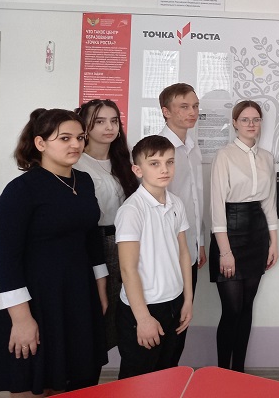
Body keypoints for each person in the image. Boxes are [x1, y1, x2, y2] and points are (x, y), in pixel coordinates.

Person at [0, 109, 108, 395]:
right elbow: (5, 257)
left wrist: (100, 289)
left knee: (79, 378)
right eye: (65, 138)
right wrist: (21, 319)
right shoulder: (21, 189)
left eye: (80, 137)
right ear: (40, 143)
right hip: (37, 299)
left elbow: (91, 238)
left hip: (79, 293)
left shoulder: (84, 181)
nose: (76, 144)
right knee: (38, 380)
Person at [114, 135, 193, 379]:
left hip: (174, 302)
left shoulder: (176, 203)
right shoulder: (132, 210)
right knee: (138, 380)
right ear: (138, 170)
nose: (164, 169)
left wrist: (188, 299)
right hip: (144, 308)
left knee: (167, 374)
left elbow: (183, 253)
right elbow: (128, 269)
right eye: (154, 163)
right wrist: (143, 318)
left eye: (169, 162)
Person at [210, 100, 279, 371]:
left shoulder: (267, 158)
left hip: (257, 233)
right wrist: (225, 252)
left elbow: (269, 204)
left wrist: (274, 243)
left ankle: (238, 371)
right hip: (229, 231)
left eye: (256, 119)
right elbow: (217, 208)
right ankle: (222, 372)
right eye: (245, 119)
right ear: (235, 123)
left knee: (247, 307)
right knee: (232, 310)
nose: (251, 124)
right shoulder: (224, 155)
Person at [75, 99, 140, 351]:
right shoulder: (76, 162)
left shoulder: (123, 159)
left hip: (126, 241)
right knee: (98, 309)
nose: (109, 127)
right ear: (85, 126)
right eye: (100, 121)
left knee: (123, 310)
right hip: (95, 243)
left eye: (114, 121)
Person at [157, 83, 205, 365]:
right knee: (166, 320)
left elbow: (195, 198)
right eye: (184, 107)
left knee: (182, 321)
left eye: (195, 106)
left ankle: (172, 378)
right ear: (166, 111)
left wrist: (200, 242)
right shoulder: (159, 148)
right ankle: (159, 380)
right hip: (168, 250)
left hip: (190, 247)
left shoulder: (192, 147)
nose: (192, 112)